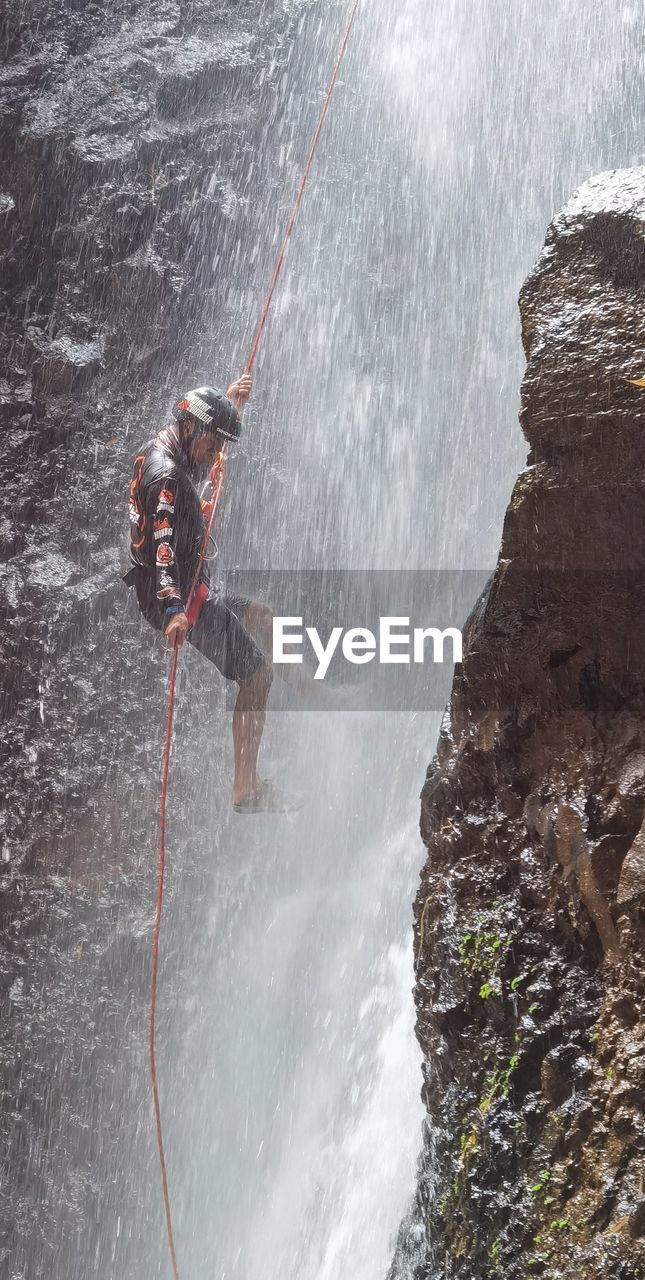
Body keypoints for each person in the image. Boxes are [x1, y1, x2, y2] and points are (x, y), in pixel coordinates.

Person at [125, 376, 294, 813]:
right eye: (214, 442)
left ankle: (311, 688)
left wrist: (230, 403)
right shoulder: (166, 476)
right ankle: (246, 787)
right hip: (180, 597)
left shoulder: (169, 444)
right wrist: (176, 609)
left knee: (261, 615)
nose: (217, 453)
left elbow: (202, 448)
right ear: (193, 429)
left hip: (193, 583)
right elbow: (162, 546)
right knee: (257, 676)